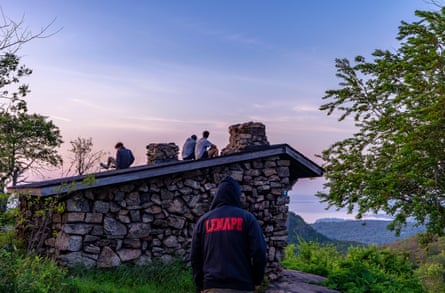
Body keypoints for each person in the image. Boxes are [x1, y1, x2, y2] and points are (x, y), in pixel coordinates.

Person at [191, 176, 267, 293]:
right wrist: (257, 280)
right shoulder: (247, 219)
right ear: (237, 195)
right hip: (242, 285)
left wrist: (200, 284)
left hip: (212, 285)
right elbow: (260, 252)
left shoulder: (203, 221)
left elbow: (195, 257)